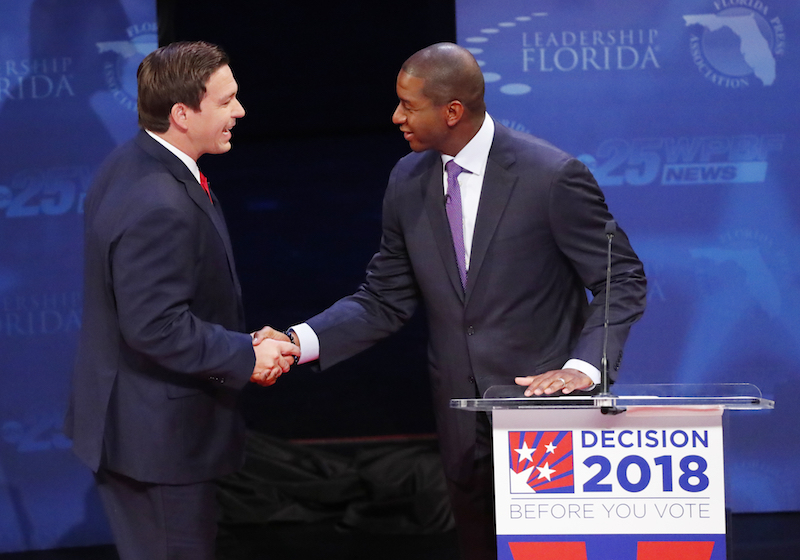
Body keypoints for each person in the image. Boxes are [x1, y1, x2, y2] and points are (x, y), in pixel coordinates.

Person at [255, 42, 646, 560]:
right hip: (461, 417)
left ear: (452, 111)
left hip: (543, 416)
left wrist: (584, 368)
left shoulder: (551, 176)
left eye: (408, 105)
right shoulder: (407, 179)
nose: (396, 117)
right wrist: (296, 341)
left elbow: (622, 278)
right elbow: (384, 297)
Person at [64, 41, 299, 560]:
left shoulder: (130, 161)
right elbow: (156, 327)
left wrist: (242, 343)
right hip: (156, 443)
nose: (240, 111)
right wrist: (245, 354)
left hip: (142, 428)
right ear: (182, 114)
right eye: (226, 101)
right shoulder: (158, 201)